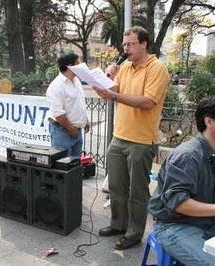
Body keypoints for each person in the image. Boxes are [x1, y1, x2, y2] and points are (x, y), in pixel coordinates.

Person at [92, 26, 169, 250]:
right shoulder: (125, 66)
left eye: (131, 44)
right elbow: (112, 91)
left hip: (142, 140)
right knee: (116, 186)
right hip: (119, 137)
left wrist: (114, 94)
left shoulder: (157, 68)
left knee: (137, 191)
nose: (126, 48)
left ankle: (134, 233)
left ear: (144, 44)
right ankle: (118, 224)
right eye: (124, 45)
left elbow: (147, 102)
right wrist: (103, 81)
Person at [148, 96, 215, 265]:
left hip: (206, 220)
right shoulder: (187, 156)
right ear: (210, 122)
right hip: (175, 225)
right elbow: (179, 204)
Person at [46, 53, 90, 156]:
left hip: (76, 131)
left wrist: (85, 120)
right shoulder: (56, 86)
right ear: (70, 66)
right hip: (62, 132)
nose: (80, 66)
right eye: (77, 63)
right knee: (62, 167)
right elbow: (58, 113)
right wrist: (71, 129)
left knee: (75, 167)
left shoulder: (76, 81)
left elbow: (78, 102)